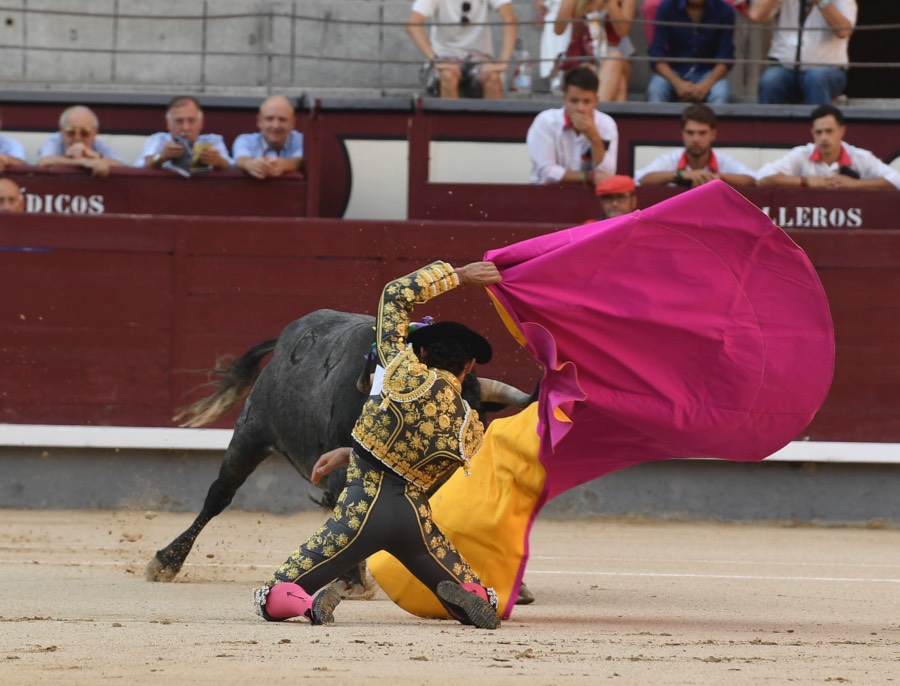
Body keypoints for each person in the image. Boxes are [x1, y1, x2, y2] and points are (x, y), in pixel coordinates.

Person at [253, 260, 506, 630]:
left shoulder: (400, 372)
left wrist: (458, 276)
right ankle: (470, 600)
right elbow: (416, 457)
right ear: (468, 367)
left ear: (420, 354)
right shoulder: (470, 425)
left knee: (273, 593)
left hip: (360, 511)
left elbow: (395, 296)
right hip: (414, 523)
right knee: (470, 589)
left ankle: (308, 605)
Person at [756, 105, 900, 190]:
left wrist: (856, 184)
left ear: (842, 131)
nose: (824, 137)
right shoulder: (801, 155)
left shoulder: (859, 157)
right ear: (812, 133)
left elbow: (897, 179)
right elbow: (761, 177)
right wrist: (805, 181)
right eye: (819, 132)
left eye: (829, 131)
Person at [748, 0, 857, 105]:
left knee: (815, 78)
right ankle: (768, 124)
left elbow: (844, 30)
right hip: (785, 68)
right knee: (770, 80)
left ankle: (818, 123)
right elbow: (756, 15)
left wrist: (821, 2)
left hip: (828, 70)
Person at [407, 0, 518, 99]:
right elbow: (413, 24)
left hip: (479, 58)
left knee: (492, 78)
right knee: (448, 76)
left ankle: (492, 122)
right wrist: (436, 59)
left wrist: (503, 62)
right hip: (444, 56)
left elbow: (510, 19)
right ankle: (450, 122)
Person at [526, 66, 619, 185]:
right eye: (574, 101)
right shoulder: (545, 121)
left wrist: (594, 137)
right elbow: (546, 172)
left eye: (587, 102)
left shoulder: (606, 124)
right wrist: (587, 177)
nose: (580, 108)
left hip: (589, 197)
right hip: (547, 194)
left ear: (596, 101)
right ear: (564, 99)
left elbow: (607, 174)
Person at [634, 103, 755, 187]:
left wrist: (720, 177)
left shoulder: (724, 161)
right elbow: (642, 179)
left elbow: (752, 180)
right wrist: (681, 175)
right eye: (690, 133)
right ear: (682, 134)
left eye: (702, 133)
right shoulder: (670, 159)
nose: (695, 139)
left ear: (713, 134)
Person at [647, 0, 735, 104]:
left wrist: (706, 84)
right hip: (674, 70)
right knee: (656, 89)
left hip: (708, 72)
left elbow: (725, 57)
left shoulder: (725, 10)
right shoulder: (667, 7)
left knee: (721, 93)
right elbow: (657, 52)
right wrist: (677, 82)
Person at [553, 0, 638, 102]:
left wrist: (609, 3)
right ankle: (603, 115)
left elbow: (623, 31)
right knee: (620, 82)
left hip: (616, 54)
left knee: (614, 57)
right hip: (588, 57)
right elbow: (558, 30)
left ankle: (594, 113)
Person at [139, 96, 232, 171]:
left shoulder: (213, 141)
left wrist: (218, 161)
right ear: (168, 124)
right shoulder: (159, 139)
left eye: (191, 120)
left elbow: (231, 167)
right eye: (179, 121)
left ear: (201, 123)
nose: (185, 127)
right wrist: (162, 157)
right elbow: (144, 165)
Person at [37, 106, 127, 177]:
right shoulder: (54, 140)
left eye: (85, 133)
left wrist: (96, 157)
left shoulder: (99, 145)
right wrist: (84, 162)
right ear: (62, 130)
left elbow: (126, 168)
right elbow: (43, 162)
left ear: (95, 133)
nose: (77, 138)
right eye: (71, 132)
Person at [232, 95, 304, 180]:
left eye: (282, 120)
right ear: (259, 121)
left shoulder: (303, 141)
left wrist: (284, 165)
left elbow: (299, 160)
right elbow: (241, 158)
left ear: (293, 123)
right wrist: (250, 164)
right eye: (269, 119)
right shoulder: (244, 140)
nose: (276, 125)